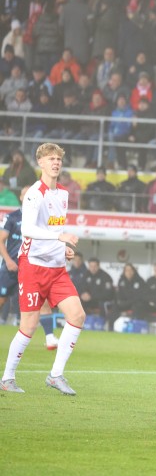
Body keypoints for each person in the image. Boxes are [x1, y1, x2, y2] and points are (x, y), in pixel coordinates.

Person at [1, 143, 84, 396]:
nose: (56, 162)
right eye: (50, 158)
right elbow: (28, 230)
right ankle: (7, 378)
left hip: (57, 267)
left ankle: (55, 375)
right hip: (33, 267)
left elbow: (51, 230)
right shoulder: (35, 194)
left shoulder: (63, 194)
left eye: (58, 158)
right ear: (40, 163)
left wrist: (64, 250)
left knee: (77, 315)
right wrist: (60, 238)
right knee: (29, 324)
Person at [0, 185, 59, 349]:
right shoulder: (12, 217)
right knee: (2, 299)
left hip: (32, 267)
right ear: (20, 197)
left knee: (43, 300)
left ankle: (50, 337)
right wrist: (8, 261)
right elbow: (1, 240)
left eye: (31, 196)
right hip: (11, 268)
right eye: (26, 195)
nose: (29, 198)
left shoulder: (41, 218)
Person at [81, 257, 115, 329]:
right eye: (91, 266)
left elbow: (108, 294)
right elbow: (81, 287)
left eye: (95, 266)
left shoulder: (105, 277)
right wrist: (83, 294)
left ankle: (102, 325)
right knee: (78, 302)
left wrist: (92, 296)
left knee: (102, 304)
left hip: (100, 301)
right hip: (88, 301)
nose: (93, 268)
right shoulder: (85, 275)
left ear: (98, 266)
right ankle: (79, 324)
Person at [108, 263, 146, 328]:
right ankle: (111, 328)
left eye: (130, 270)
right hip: (124, 303)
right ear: (124, 272)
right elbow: (118, 293)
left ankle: (134, 328)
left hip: (134, 303)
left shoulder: (140, 281)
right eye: (126, 270)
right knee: (115, 306)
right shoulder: (121, 280)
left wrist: (128, 302)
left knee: (138, 306)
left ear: (134, 271)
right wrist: (120, 301)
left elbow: (140, 296)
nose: (129, 272)